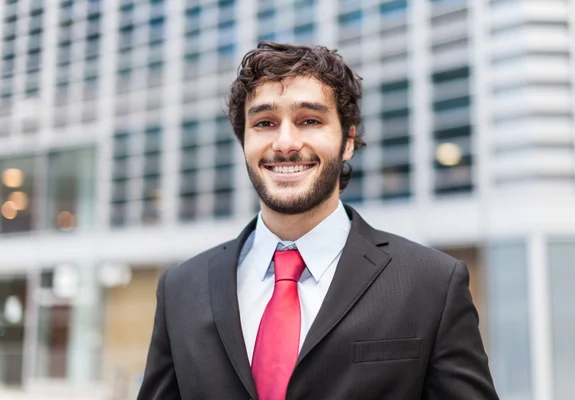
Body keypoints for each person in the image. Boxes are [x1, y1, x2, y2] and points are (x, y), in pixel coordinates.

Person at [138, 42, 499, 400]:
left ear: (348, 141)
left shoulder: (432, 284)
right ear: (243, 140)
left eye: (309, 120)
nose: (285, 143)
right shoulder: (180, 289)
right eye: (264, 123)